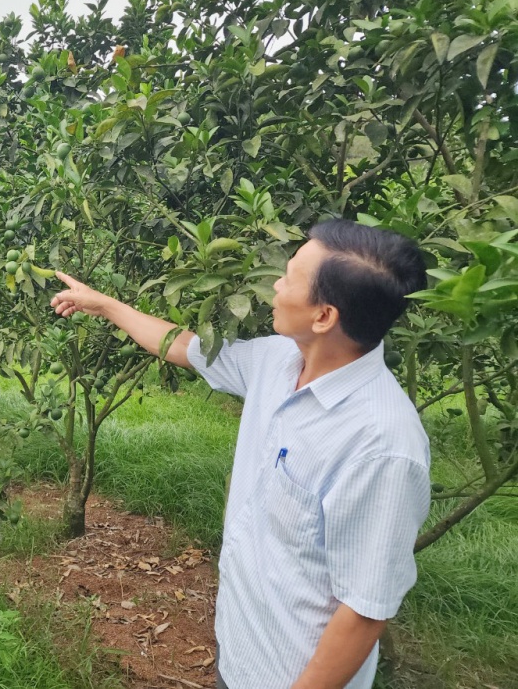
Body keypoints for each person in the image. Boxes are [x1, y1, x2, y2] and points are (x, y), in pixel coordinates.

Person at [50, 219, 431, 689]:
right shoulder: (279, 359)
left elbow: (365, 610)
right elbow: (186, 347)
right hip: (240, 653)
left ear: (324, 316)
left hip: (292, 674)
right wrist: (105, 305)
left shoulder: (381, 444)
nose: (275, 284)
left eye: (289, 277)